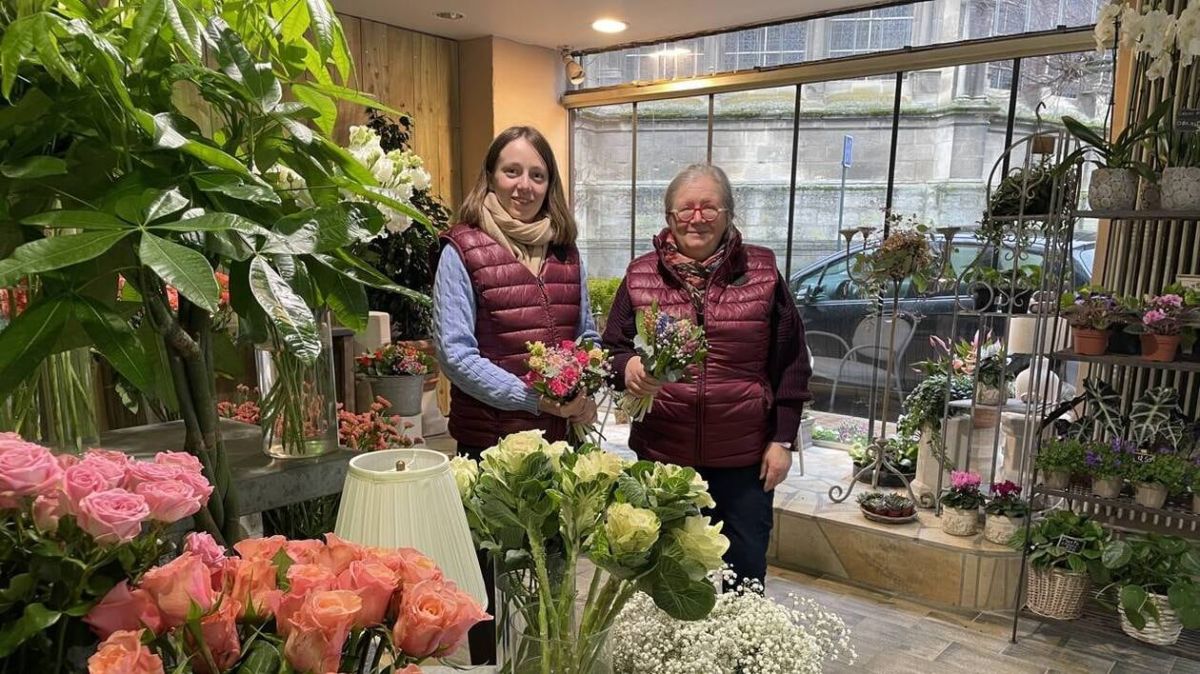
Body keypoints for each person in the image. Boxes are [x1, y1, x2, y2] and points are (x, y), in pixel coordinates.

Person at [433, 125, 598, 663]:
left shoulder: (567, 252)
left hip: (557, 449)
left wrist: (585, 387)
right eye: (512, 171)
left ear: (550, 184)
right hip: (490, 450)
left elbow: (587, 336)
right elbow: (456, 355)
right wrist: (534, 398)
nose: (524, 185)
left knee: (553, 585)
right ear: (490, 176)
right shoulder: (462, 249)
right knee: (487, 588)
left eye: (537, 174)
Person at [602, 163, 811, 588]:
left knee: (744, 575)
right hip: (663, 455)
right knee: (666, 576)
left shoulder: (763, 273)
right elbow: (611, 350)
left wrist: (783, 439)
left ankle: (740, 636)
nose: (697, 218)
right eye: (686, 208)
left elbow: (791, 361)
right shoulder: (640, 275)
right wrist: (628, 368)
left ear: (729, 213)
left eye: (709, 207)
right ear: (669, 217)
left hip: (744, 459)